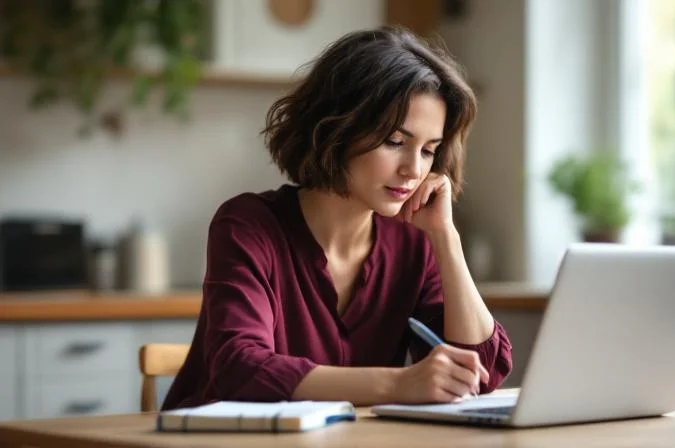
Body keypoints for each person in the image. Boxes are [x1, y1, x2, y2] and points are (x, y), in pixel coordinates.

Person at [162, 26, 512, 410]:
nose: (414, 169)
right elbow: (239, 369)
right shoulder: (248, 225)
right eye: (395, 142)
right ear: (338, 128)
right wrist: (398, 384)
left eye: (429, 150)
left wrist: (446, 238)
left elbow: (481, 374)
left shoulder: (414, 245)